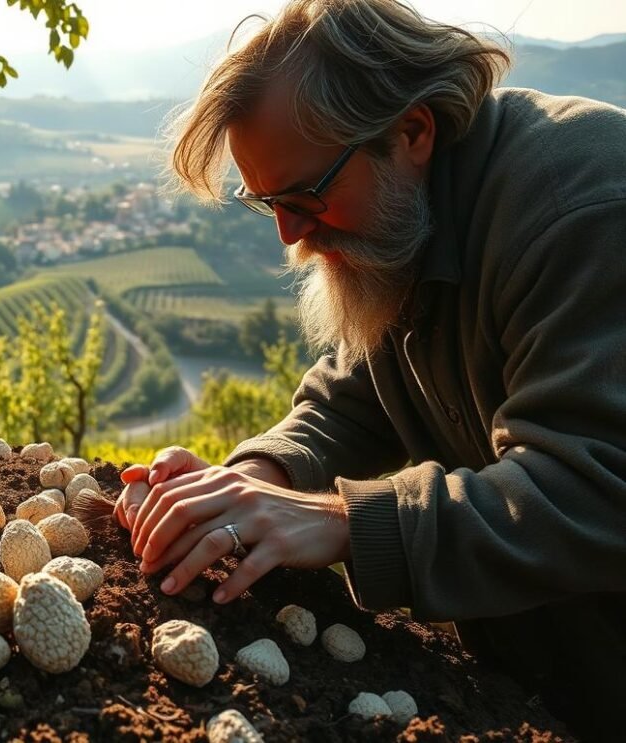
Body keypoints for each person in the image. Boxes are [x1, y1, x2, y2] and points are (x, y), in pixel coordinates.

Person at [120, 0, 626, 737]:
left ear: (411, 131)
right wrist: (260, 479)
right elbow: (354, 395)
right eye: (270, 205)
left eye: (305, 195)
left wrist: (344, 523)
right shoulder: (407, 215)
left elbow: (596, 488)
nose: (291, 234)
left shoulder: (580, 209)